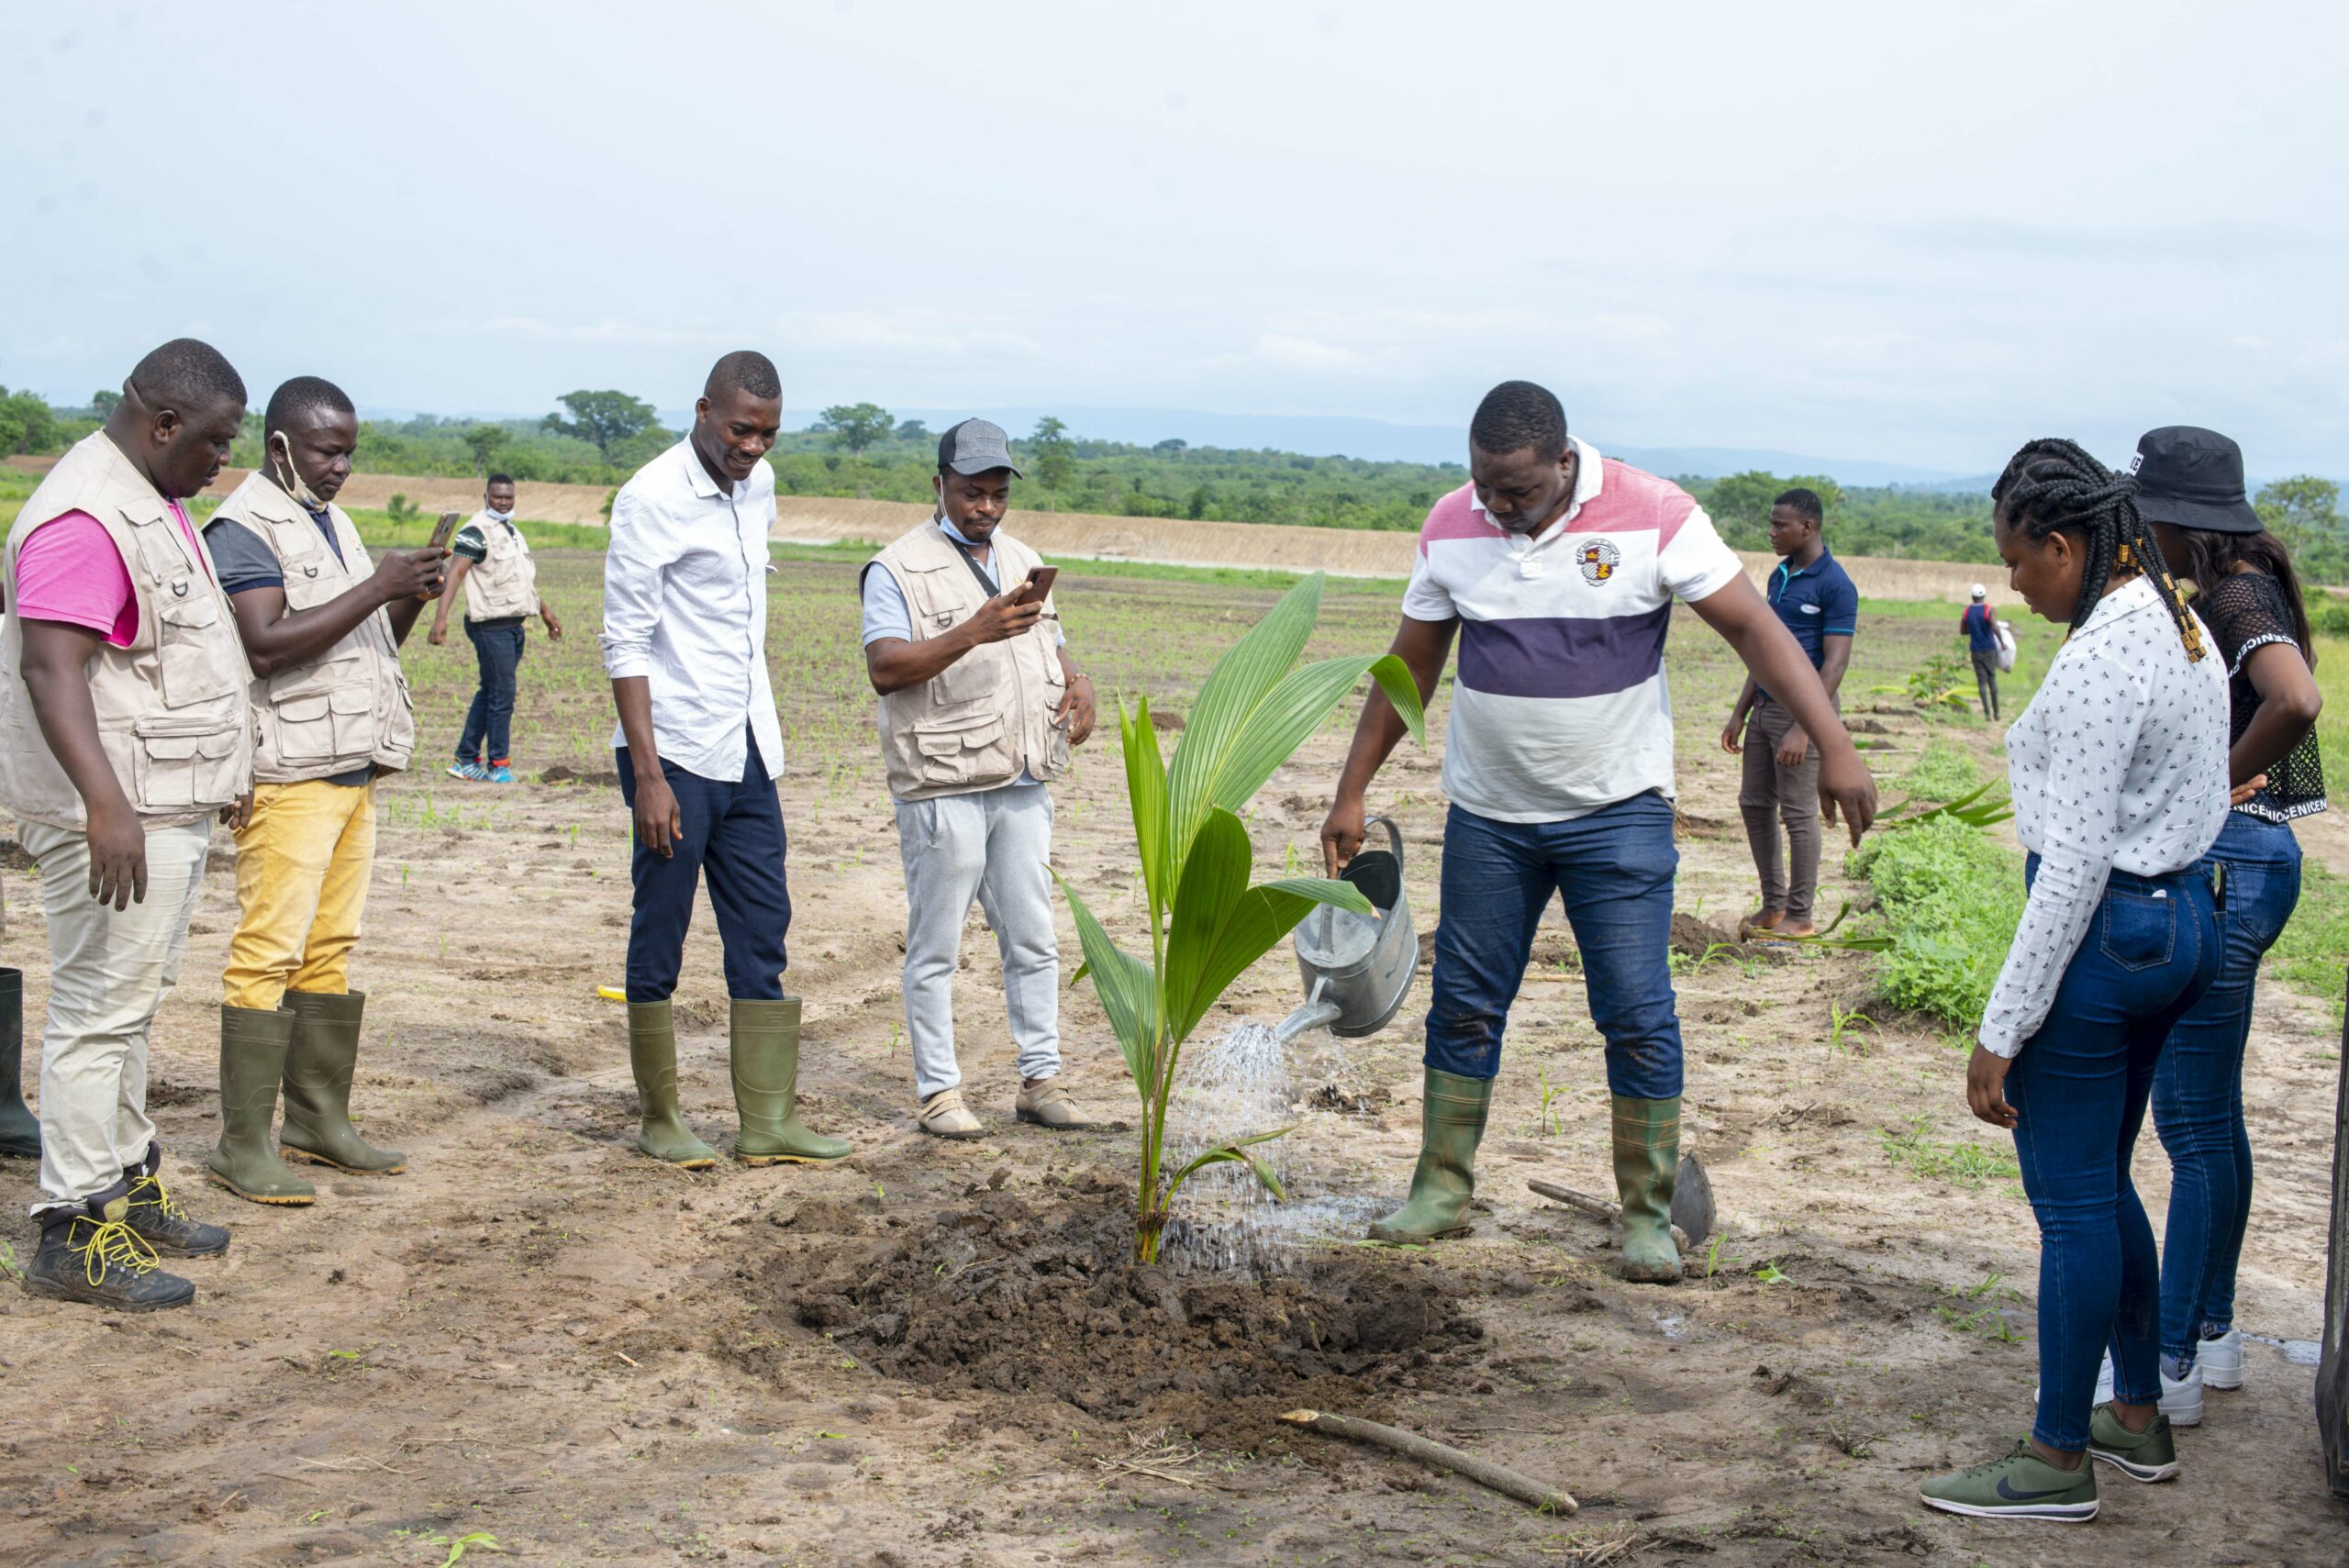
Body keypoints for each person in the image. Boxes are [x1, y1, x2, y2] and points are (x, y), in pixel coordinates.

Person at [1320, 381, 1876, 1283]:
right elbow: (1409, 669)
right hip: (1490, 818)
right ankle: (1441, 1188)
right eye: (1484, 488)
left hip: (1615, 815)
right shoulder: (1451, 524)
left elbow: (1757, 630)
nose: (1498, 507)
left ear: (1564, 461)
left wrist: (1837, 742)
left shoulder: (1653, 512)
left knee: (1634, 1010)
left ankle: (1648, 1215)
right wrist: (1351, 790)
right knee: (1463, 1000)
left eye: (1518, 490)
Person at [1920, 437, 2228, 1523]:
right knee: (2105, 1177)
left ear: (2062, 543)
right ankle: (2133, 1416)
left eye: (2016, 560)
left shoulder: (2104, 653)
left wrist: (2000, 1028)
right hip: (2184, 919)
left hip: (2109, 934)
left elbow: (2076, 863)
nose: (2008, 581)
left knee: (2069, 1201)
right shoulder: (2177, 621)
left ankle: (2055, 1456)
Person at [0, 339, 252, 1310]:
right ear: (163, 424)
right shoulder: (83, 515)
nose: (220, 460)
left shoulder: (150, 496)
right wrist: (106, 804)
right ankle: (71, 1228)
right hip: (117, 813)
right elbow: (49, 669)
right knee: (96, 1013)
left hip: (162, 802)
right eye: (216, 442)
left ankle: (125, 1183)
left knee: (131, 1006)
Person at [199, 377, 448, 1206]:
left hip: (352, 769)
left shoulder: (329, 519)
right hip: (288, 778)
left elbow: (366, 639)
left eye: (348, 451)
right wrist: (376, 584)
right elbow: (265, 646)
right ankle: (243, 1144)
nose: (341, 466)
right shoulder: (243, 527)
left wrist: (404, 596)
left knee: (330, 947)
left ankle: (316, 1120)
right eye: (326, 450)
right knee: (267, 952)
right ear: (281, 446)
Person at [601, 350, 846, 1169]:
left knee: (762, 928)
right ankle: (660, 1118)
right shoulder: (651, 498)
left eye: (769, 434)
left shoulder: (760, 489)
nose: (753, 447)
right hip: (673, 752)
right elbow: (626, 642)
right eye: (742, 428)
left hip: (748, 745)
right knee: (661, 930)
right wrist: (648, 777)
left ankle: (767, 1122)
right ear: (704, 409)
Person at [2133, 426, 2324, 1421]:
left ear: (2176, 516)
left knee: (2193, 1124)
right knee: (2217, 1121)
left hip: (2228, 860)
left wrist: (2207, 787)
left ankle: (2164, 1363)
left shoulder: (2233, 589)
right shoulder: (2247, 573)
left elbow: (2294, 698)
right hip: (2256, 861)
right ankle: (2211, 1331)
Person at [860, 419, 1099, 1139]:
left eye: (997, 494)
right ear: (939, 485)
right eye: (971, 493)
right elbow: (885, 668)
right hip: (944, 783)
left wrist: (1078, 681)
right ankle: (940, 1093)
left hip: (1023, 776)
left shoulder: (1023, 557)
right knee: (937, 946)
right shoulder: (895, 567)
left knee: (1034, 937)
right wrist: (973, 629)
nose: (985, 508)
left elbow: (1051, 644)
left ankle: (1040, 1080)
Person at [1721, 488, 1858, 939]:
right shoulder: (1778, 577)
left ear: (1808, 527)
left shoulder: (1835, 584)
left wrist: (1805, 726)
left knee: (1798, 814)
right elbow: (1762, 652)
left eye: (1780, 525)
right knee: (1755, 805)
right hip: (1763, 710)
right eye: (1772, 523)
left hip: (1802, 716)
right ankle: (1774, 906)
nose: (1771, 532)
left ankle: (1801, 916)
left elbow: (1834, 664)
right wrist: (1741, 711)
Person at [431, 473, 562, 783]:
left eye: (508, 497)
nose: (503, 502)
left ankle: (466, 758)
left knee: (491, 691)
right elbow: (455, 576)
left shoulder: (512, 532)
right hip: (490, 629)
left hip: (514, 627)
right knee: (503, 694)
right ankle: (498, 765)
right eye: (497, 497)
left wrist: (545, 613)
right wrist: (440, 619)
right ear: (486, 497)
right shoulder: (475, 532)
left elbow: (522, 583)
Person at [1961, 584, 2004, 719]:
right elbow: (1995, 627)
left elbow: (1963, 631)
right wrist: (2002, 643)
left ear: (1972, 597)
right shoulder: (1988, 610)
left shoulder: (1967, 611)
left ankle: (1987, 714)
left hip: (1975, 650)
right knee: (1992, 679)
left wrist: (1974, 630)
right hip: (1989, 649)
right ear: (1983, 596)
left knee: (1981, 681)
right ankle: (1997, 713)